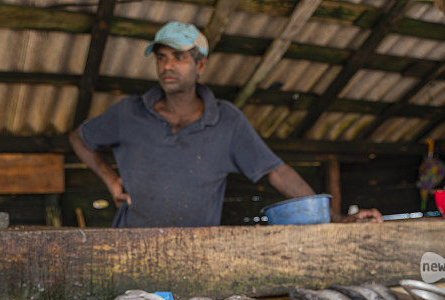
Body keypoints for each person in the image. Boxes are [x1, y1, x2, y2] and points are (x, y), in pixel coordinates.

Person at [70, 21, 383, 228]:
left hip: (200, 255)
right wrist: (110, 179)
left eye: (178, 57)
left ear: (201, 65)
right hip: (127, 248)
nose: (167, 66)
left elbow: (277, 172)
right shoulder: (129, 113)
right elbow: (79, 139)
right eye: (161, 57)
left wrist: (337, 219)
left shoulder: (227, 121)